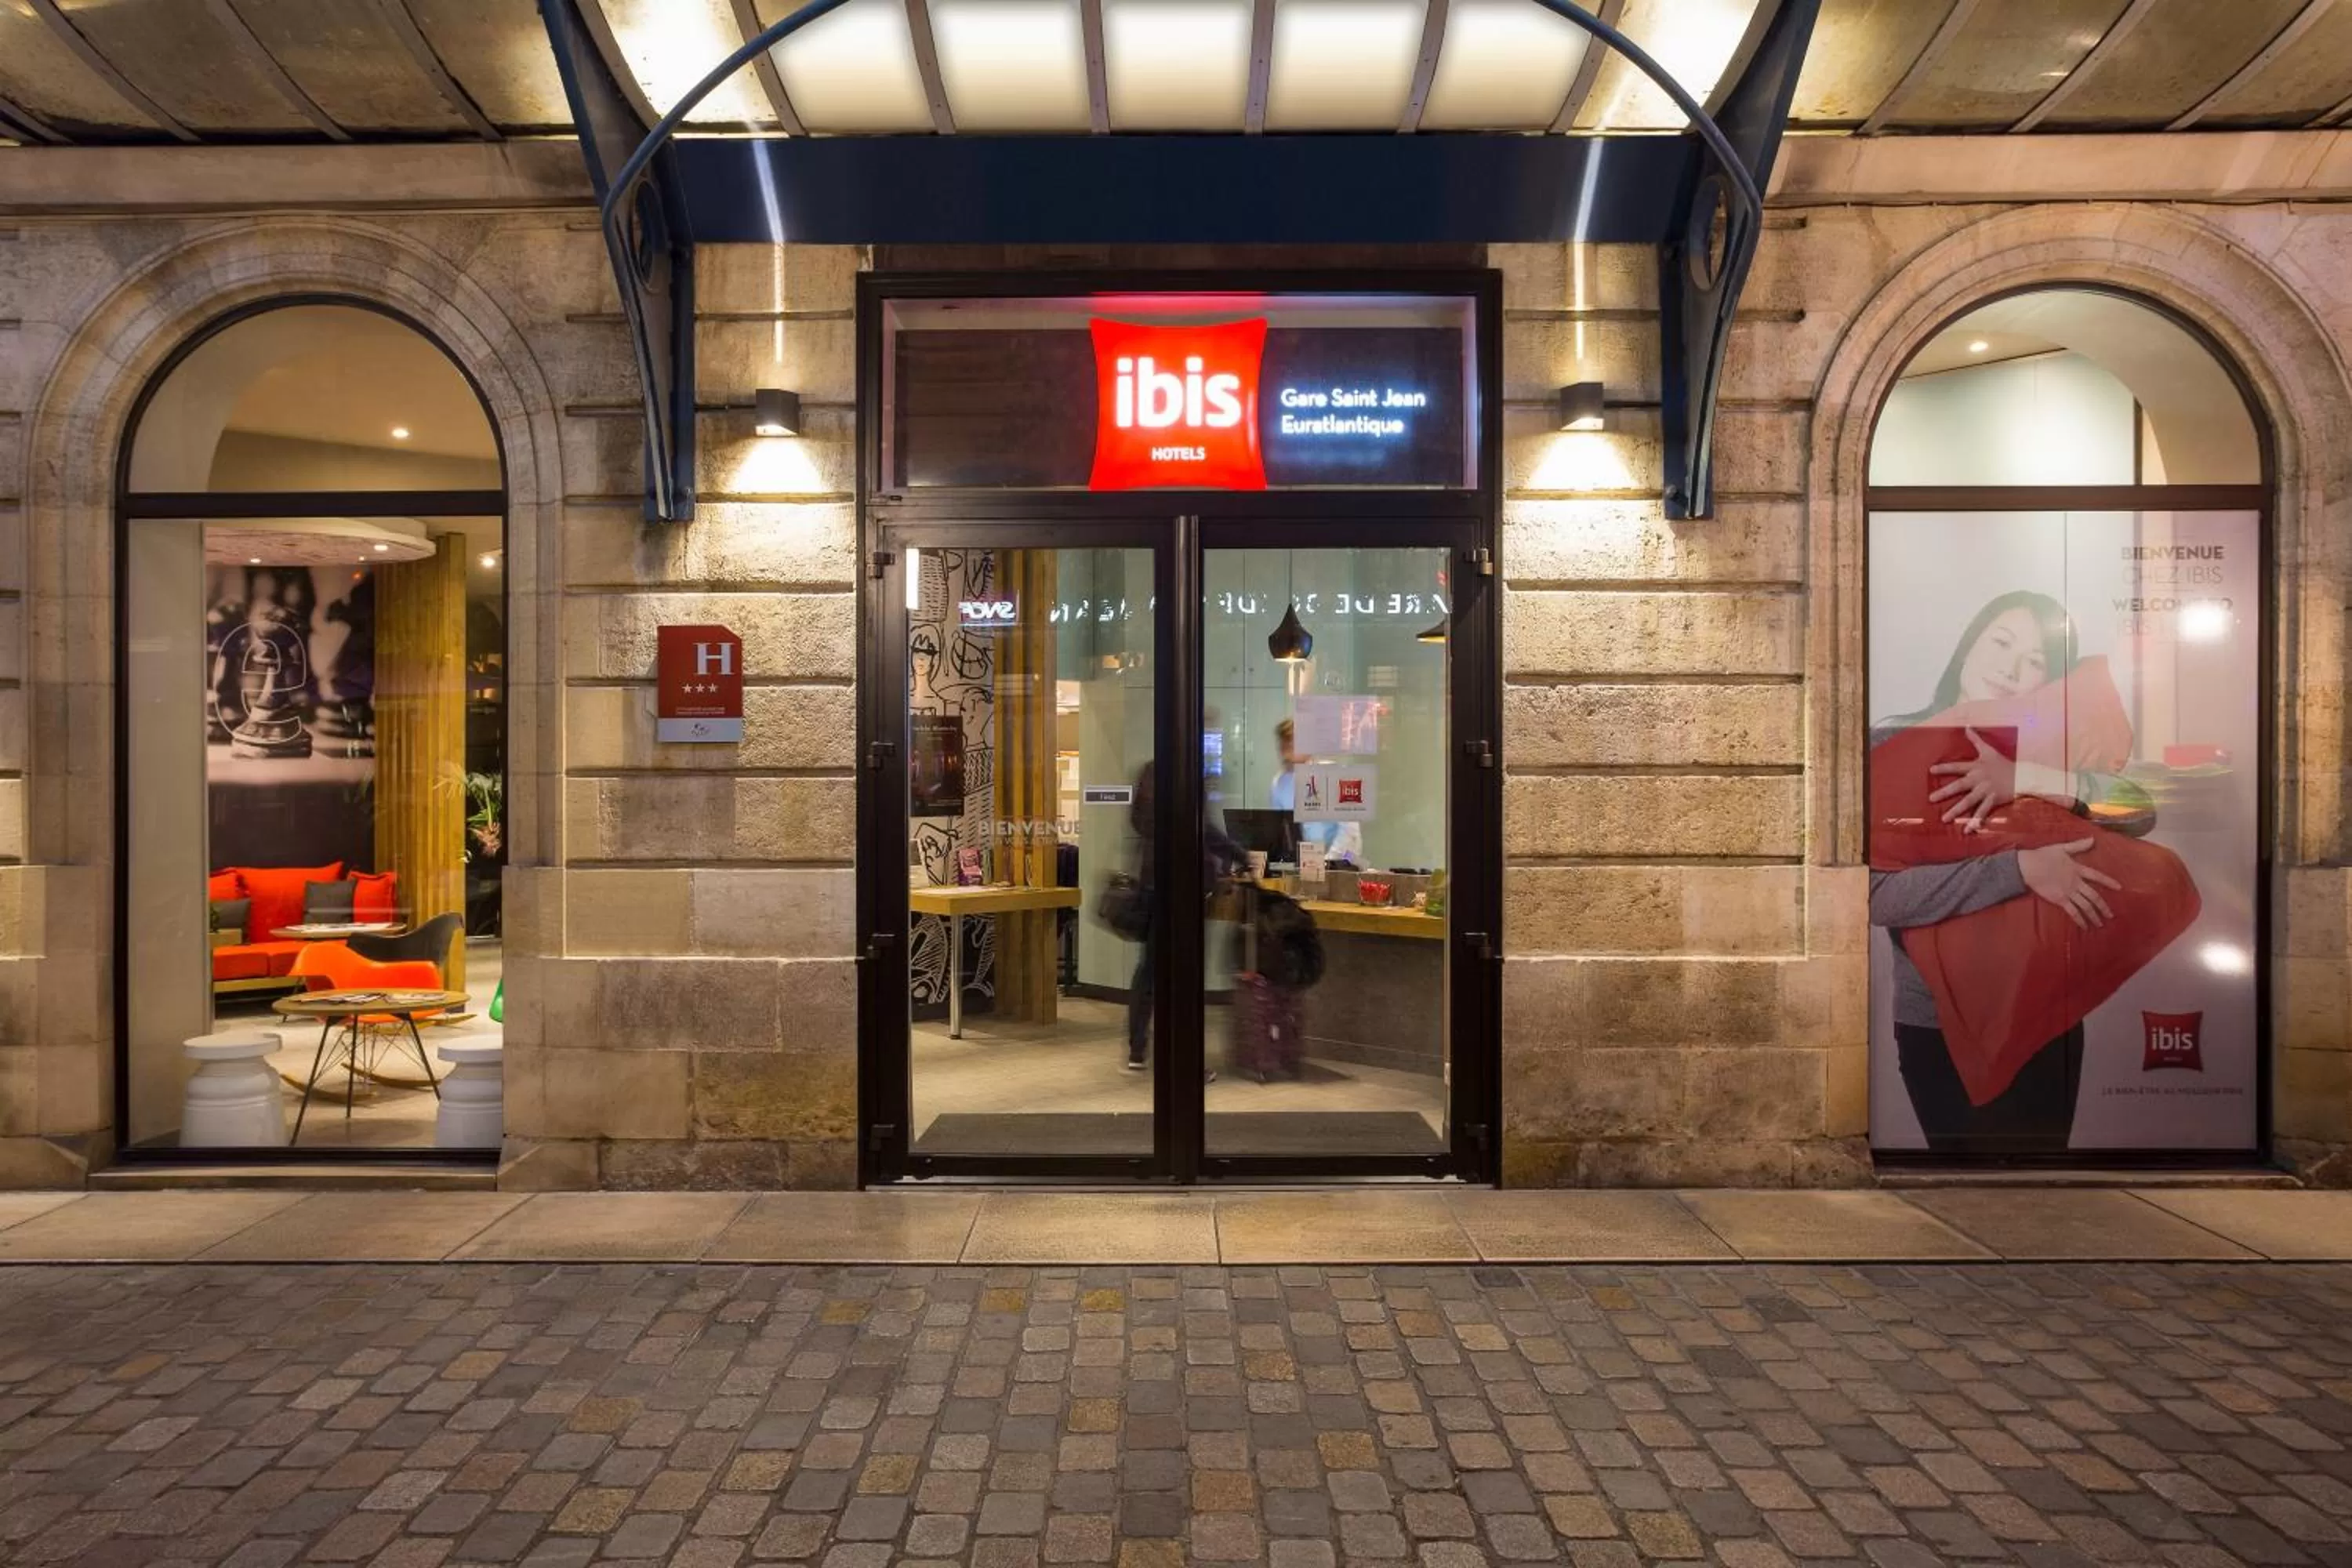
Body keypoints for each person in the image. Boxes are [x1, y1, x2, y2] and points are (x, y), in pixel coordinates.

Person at [1869, 590, 2128, 1154]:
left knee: (2041, 1194)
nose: (2012, 668)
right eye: (2001, 642)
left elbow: (2139, 808)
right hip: (1938, 1022)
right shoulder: (1890, 745)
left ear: (2050, 680)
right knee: (1966, 1198)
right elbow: (1872, 895)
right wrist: (2019, 870)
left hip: (2045, 1015)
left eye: (2034, 660)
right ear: (1968, 647)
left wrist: (2022, 777)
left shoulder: (2057, 752)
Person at [1122, 760, 1247, 1074]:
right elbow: (1201, 830)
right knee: (1185, 975)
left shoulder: (1152, 773)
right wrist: (1237, 852)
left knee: (1149, 971)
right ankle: (1185, 1058)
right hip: (1184, 890)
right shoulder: (1186, 774)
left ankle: (1138, 1049)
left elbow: (1140, 823)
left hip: (1153, 884)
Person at [1269, 718, 1363, 863]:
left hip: (1344, 860)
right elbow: (1281, 831)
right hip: (1305, 865)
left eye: (1294, 742)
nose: (1288, 747)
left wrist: (1327, 862)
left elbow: (1350, 831)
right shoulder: (1280, 783)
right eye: (1285, 742)